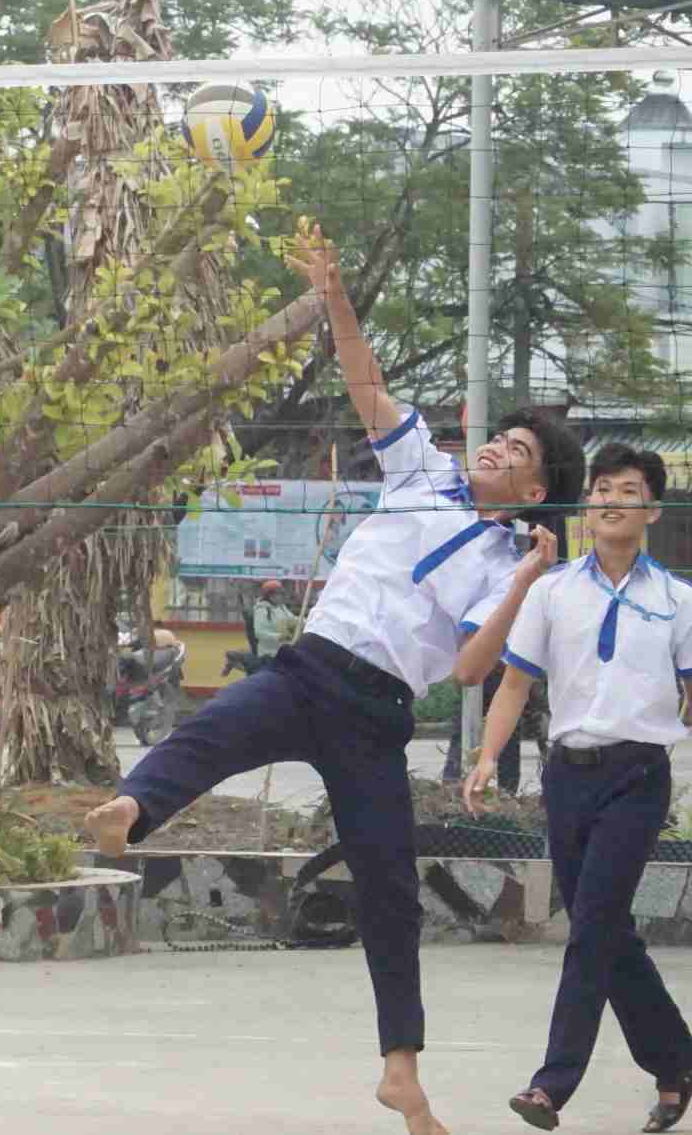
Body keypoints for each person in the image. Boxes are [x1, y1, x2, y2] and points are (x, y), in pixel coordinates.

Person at [84, 220, 585, 1135]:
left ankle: (403, 1073)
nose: (500, 451)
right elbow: (365, 382)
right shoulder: (422, 473)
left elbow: (472, 667)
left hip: (376, 713)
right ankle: (131, 809)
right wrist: (335, 294)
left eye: (521, 456)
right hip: (310, 667)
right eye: (502, 439)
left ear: (532, 495)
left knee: (389, 886)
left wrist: (522, 584)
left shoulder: (502, 561)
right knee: (208, 731)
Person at [465, 443, 692, 1133]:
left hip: (637, 777)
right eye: (600, 488)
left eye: (627, 489)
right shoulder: (551, 590)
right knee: (609, 932)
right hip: (567, 778)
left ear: (650, 507)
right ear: (587, 504)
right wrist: (484, 757)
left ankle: (551, 1083)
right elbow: (514, 682)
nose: (610, 499)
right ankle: (678, 1063)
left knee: (591, 926)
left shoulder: (679, 598)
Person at [252, 580, 300, 658]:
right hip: (269, 654)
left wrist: (307, 620)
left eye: (282, 594)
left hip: (285, 650)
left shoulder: (281, 608)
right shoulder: (262, 610)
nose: (282, 596)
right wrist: (279, 637)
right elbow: (259, 633)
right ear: (270, 595)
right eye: (279, 594)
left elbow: (293, 620)